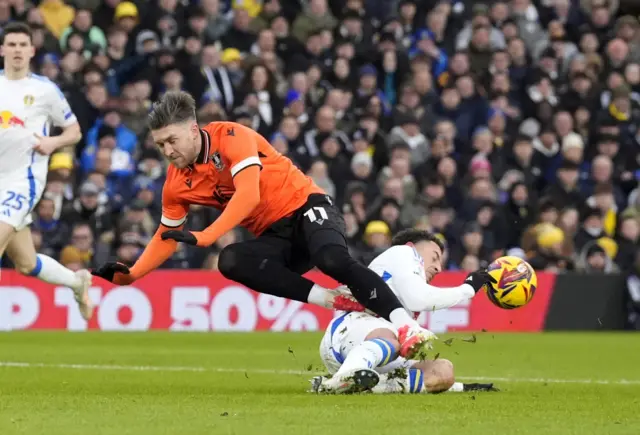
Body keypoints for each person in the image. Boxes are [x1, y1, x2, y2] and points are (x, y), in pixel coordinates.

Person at [92, 90, 436, 358]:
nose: (167, 150)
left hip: (307, 207)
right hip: (277, 235)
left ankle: (406, 326)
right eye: (159, 144)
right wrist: (133, 274)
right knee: (230, 261)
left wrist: (208, 234)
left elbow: (248, 196)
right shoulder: (176, 182)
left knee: (332, 259)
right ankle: (333, 300)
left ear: (194, 130)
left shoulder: (231, 136)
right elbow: (165, 236)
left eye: (171, 140)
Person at [312, 229, 497, 394]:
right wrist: (467, 289)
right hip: (350, 331)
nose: (439, 268)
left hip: (378, 355)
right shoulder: (403, 252)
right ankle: (344, 376)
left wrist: (456, 387)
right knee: (391, 339)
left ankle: (371, 386)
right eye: (434, 257)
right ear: (412, 246)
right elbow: (419, 298)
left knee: (443, 370)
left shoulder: (407, 281)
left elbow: (422, 298)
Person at [0, 23, 92, 320]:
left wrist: (54, 141)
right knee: (26, 263)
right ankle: (77, 282)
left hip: (22, 180)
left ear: (31, 50)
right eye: (11, 44)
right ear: (2, 50)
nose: (16, 50)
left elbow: (75, 131)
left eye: (21, 45)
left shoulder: (44, 90)